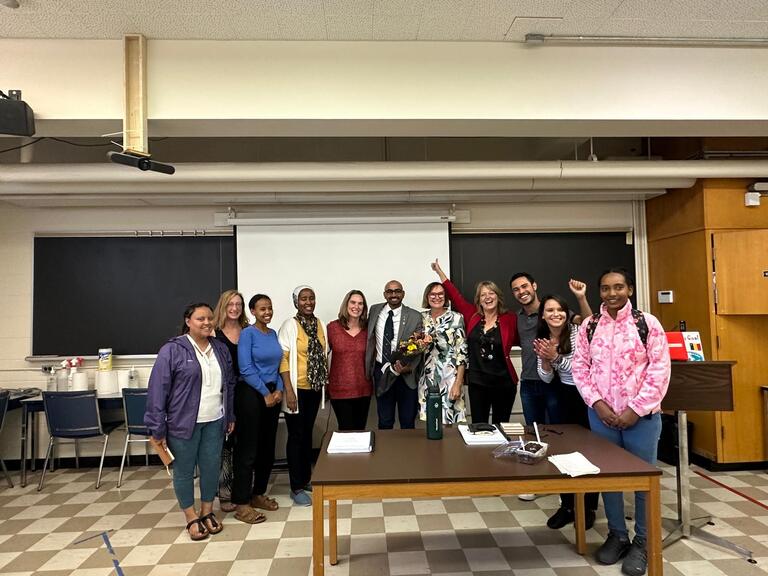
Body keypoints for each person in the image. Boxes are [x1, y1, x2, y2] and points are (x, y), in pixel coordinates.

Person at [572, 268, 670, 576]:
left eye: (618, 287)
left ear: (629, 289)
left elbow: (659, 370)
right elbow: (580, 368)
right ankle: (617, 534)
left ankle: (642, 541)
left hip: (641, 419)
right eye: (605, 288)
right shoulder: (590, 326)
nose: (611, 293)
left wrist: (635, 409)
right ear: (599, 292)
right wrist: (598, 404)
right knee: (608, 479)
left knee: (643, 482)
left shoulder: (647, 324)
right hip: (601, 417)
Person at [145, 303, 236, 541]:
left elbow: (230, 385)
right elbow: (158, 389)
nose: (207, 322)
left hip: (215, 420)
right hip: (182, 424)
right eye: (200, 319)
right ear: (188, 321)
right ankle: (190, 516)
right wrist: (157, 426)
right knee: (184, 472)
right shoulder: (172, 350)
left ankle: (207, 511)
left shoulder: (219, 348)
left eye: (209, 318)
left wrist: (230, 415)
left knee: (210, 468)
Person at [533, 291, 598, 531]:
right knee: (563, 453)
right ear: (543, 315)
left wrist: (556, 358)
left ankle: (588, 508)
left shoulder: (578, 332)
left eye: (559, 309)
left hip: (586, 396)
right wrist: (548, 361)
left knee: (588, 454)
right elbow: (546, 377)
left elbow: (582, 368)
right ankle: (567, 506)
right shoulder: (542, 337)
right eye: (550, 310)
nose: (555, 314)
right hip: (561, 396)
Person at [431, 259, 519, 425]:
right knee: (479, 427)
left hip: (504, 383)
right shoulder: (472, 315)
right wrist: (439, 271)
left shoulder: (510, 319)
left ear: (498, 297)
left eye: (491, 293)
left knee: (501, 427)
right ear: (478, 300)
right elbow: (455, 295)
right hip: (478, 383)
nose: (487, 297)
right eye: (483, 295)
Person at [233, 294, 283, 523]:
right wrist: (264, 393)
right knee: (248, 449)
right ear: (252, 311)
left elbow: (279, 364)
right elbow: (245, 368)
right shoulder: (247, 334)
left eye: (270, 308)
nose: (267, 312)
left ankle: (258, 494)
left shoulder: (272, 334)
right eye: (262, 309)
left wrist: (279, 390)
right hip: (252, 394)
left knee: (267, 447)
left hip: (273, 393)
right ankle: (242, 503)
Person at [279, 285, 328, 507]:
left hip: (314, 389)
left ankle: (306, 479)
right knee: (296, 436)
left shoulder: (319, 324)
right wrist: (289, 391)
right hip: (296, 390)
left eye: (311, 298)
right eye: (303, 299)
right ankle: (296, 487)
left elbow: (324, 354)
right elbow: (283, 359)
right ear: (296, 302)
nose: (308, 302)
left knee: (307, 434)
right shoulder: (290, 325)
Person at [365, 280, 424, 430]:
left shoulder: (415, 316)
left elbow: (419, 348)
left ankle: (407, 453)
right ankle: (386, 453)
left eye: (397, 291)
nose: (393, 294)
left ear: (403, 294)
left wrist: (409, 367)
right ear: (385, 294)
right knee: (384, 420)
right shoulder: (374, 310)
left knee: (407, 421)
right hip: (382, 372)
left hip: (405, 375)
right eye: (390, 292)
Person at [211, 289, 248, 513]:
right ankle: (224, 492)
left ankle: (241, 489)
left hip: (244, 394)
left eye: (238, 304)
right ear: (223, 306)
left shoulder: (247, 332)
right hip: (222, 394)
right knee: (224, 445)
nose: (234, 308)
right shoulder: (214, 333)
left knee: (242, 444)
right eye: (230, 304)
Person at [418, 281, 468, 424]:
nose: (437, 297)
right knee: (430, 421)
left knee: (450, 422)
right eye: (432, 294)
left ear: (446, 297)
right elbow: (415, 346)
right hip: (427, 379)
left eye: (440, 294)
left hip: (450, 378)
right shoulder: (421, 318)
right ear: (427, 297)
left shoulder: (456, 318)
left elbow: (462, 353)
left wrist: (458, 383)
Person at [327, 290, 373, 431]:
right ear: (346, 304)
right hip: (339, 390)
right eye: (353, 302)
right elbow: (321, 357)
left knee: (360, 430)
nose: (356, 306)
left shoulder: (369, 330)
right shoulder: (332, 328)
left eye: (360, 304)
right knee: (346, 430)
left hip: (363, 389)